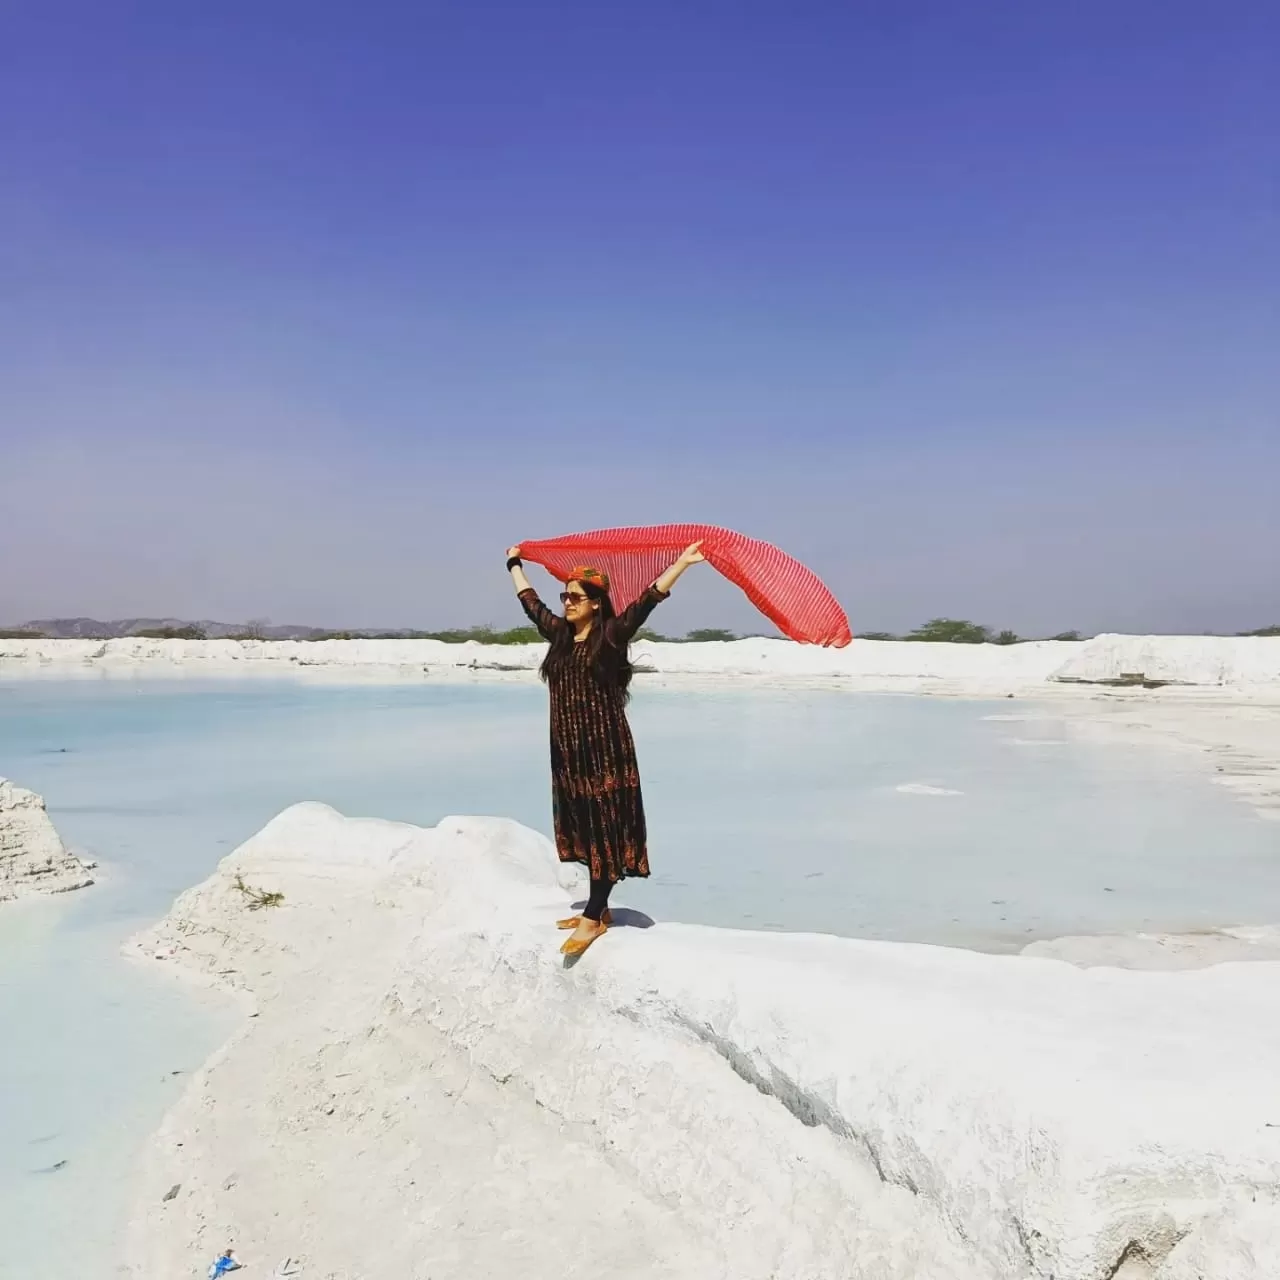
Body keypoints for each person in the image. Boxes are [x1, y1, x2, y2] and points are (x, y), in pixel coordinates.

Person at [506, 541, 705, 955]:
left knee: (603, 830)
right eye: (565, 596)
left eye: (575, 597)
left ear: (596, 603)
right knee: (582, 826)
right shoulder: (560, 636)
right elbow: (530, 603)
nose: (566, 603)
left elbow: (647, 601)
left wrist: (681, 564)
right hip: (567, 752)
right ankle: (601, 909)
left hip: (604, 752)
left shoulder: (611, 635)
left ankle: (594, 916)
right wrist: (514, 564)